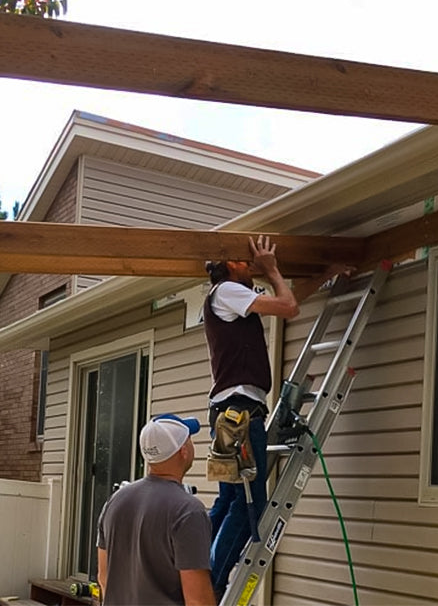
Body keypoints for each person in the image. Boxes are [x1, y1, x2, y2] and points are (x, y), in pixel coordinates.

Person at [203, 234, 346, 599]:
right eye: (244, 261)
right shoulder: (226, 291)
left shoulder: (234, 298)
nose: (251, 264)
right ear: (228, 265)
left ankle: (201, 573)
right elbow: (289, 308)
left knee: (230, 500)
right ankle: (213, 584)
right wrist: (272, 268)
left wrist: (327, 273)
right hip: (239, 413)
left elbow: (289, 301)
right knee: (249, 503)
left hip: (231, 412)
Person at [97, 414, 217, 606]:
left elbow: (104, 578)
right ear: (183, 451)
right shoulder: (188, 511)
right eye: (189, 438)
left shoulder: (115, 501)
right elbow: (198, 601)